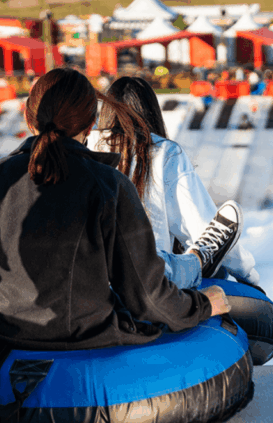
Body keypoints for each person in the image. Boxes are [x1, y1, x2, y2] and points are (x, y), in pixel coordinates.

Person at [0, 68, 231, 351]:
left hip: (5, 337)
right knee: (168, 268)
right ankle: (200, 259)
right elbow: (147, 298)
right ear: (91, 125)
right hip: (94, 344)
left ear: (27, 116)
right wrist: (202, 305)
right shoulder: (111, 185)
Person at [97, 76, 260, 290]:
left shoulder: (83, 148)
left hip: (92, 286)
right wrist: (248, 274)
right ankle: (193, 264)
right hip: (149, 287)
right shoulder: (163, 152)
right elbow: (205, 229)